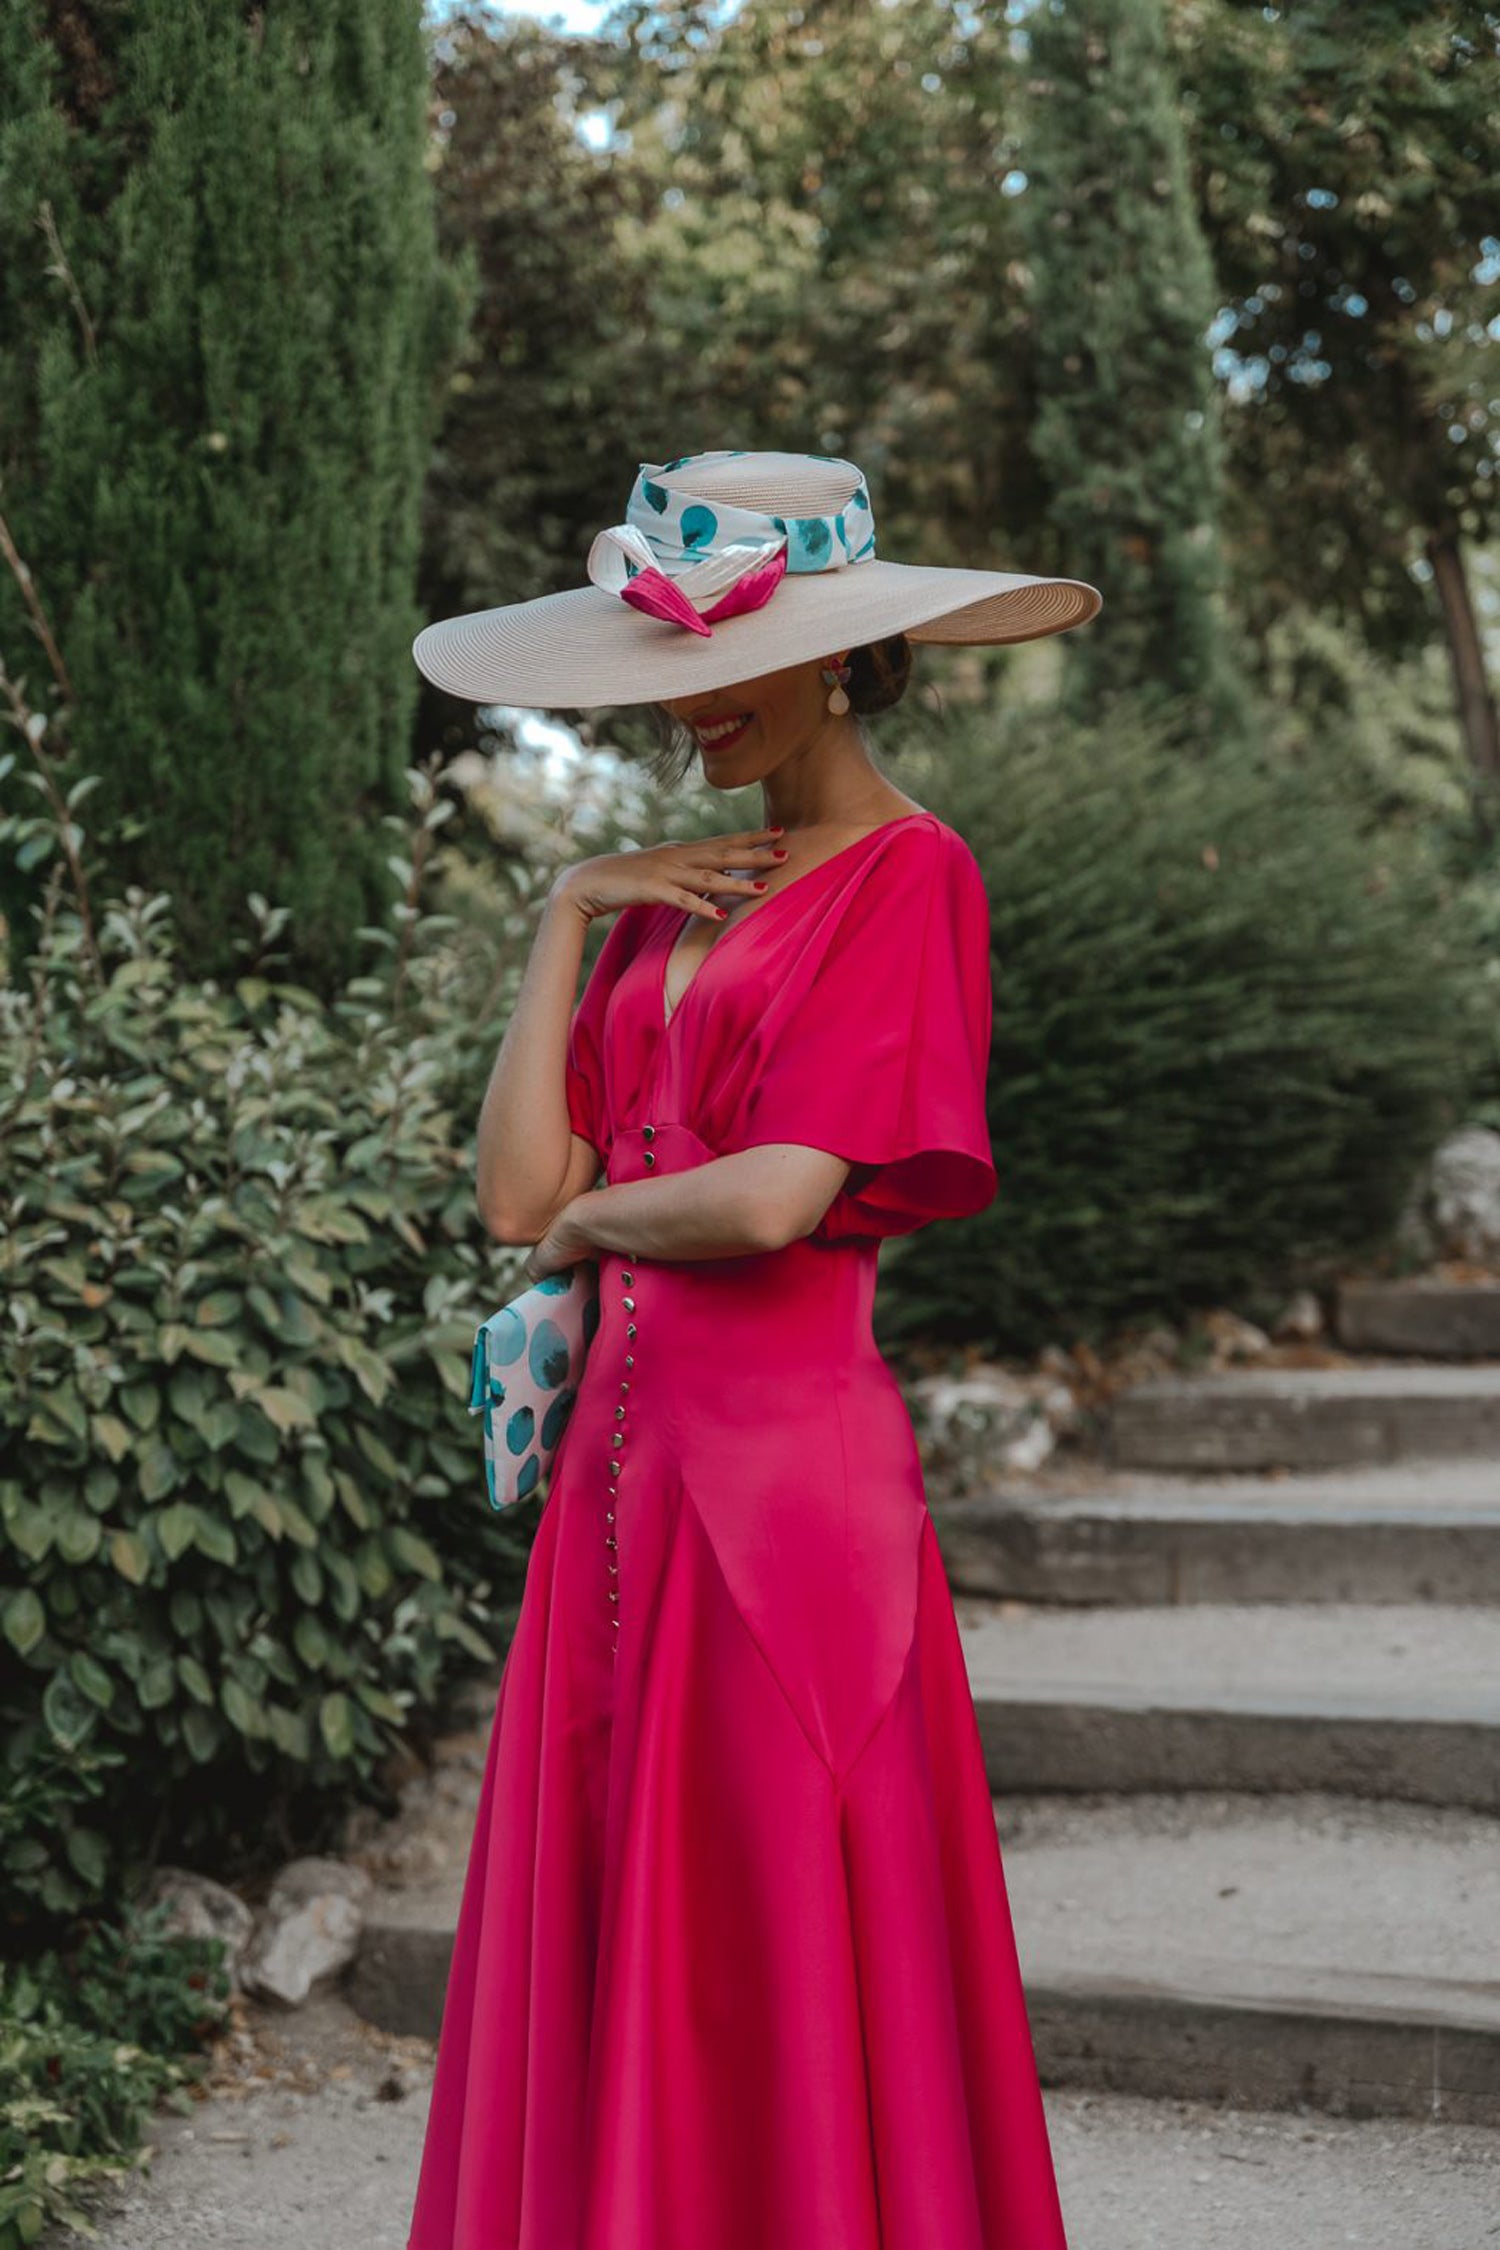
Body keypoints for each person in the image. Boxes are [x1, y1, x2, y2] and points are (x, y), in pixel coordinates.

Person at [404, 450, 1101, 2250]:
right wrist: (573, 910)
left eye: (717, 664)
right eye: (666, 669)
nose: (683, 703)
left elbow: (775, 1199)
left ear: (844, 659)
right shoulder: (665, 888)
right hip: (613, 1499)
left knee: (785, 1944)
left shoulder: (911, 875)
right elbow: (509, 1191)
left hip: (790, 1504)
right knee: (625, 1939)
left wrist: (589, 1225)